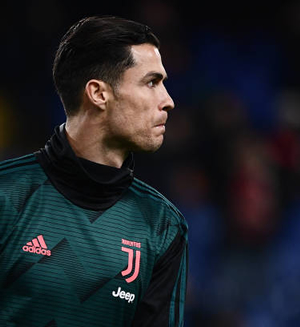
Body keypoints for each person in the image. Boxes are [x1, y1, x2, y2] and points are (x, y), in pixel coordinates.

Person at [0, 15, 188, 326]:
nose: (168, 101)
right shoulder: (7, 197)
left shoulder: (162, 227)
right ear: (98, 94)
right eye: (151, 82)